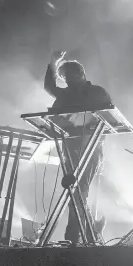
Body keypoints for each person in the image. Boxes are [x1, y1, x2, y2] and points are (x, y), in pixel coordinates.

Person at [43, 50, 109, 244]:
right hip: (70, 148)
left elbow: (108, 117)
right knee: (74, 191)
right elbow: (49, 86)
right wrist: (53, 62)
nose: (66, 82)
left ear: (80, 74)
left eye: (69, 78)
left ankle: (73, 237)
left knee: (80, 191)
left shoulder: (97, 91)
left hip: (90, 148)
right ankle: (89, 231)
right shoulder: (65, 94)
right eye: (64, 79)